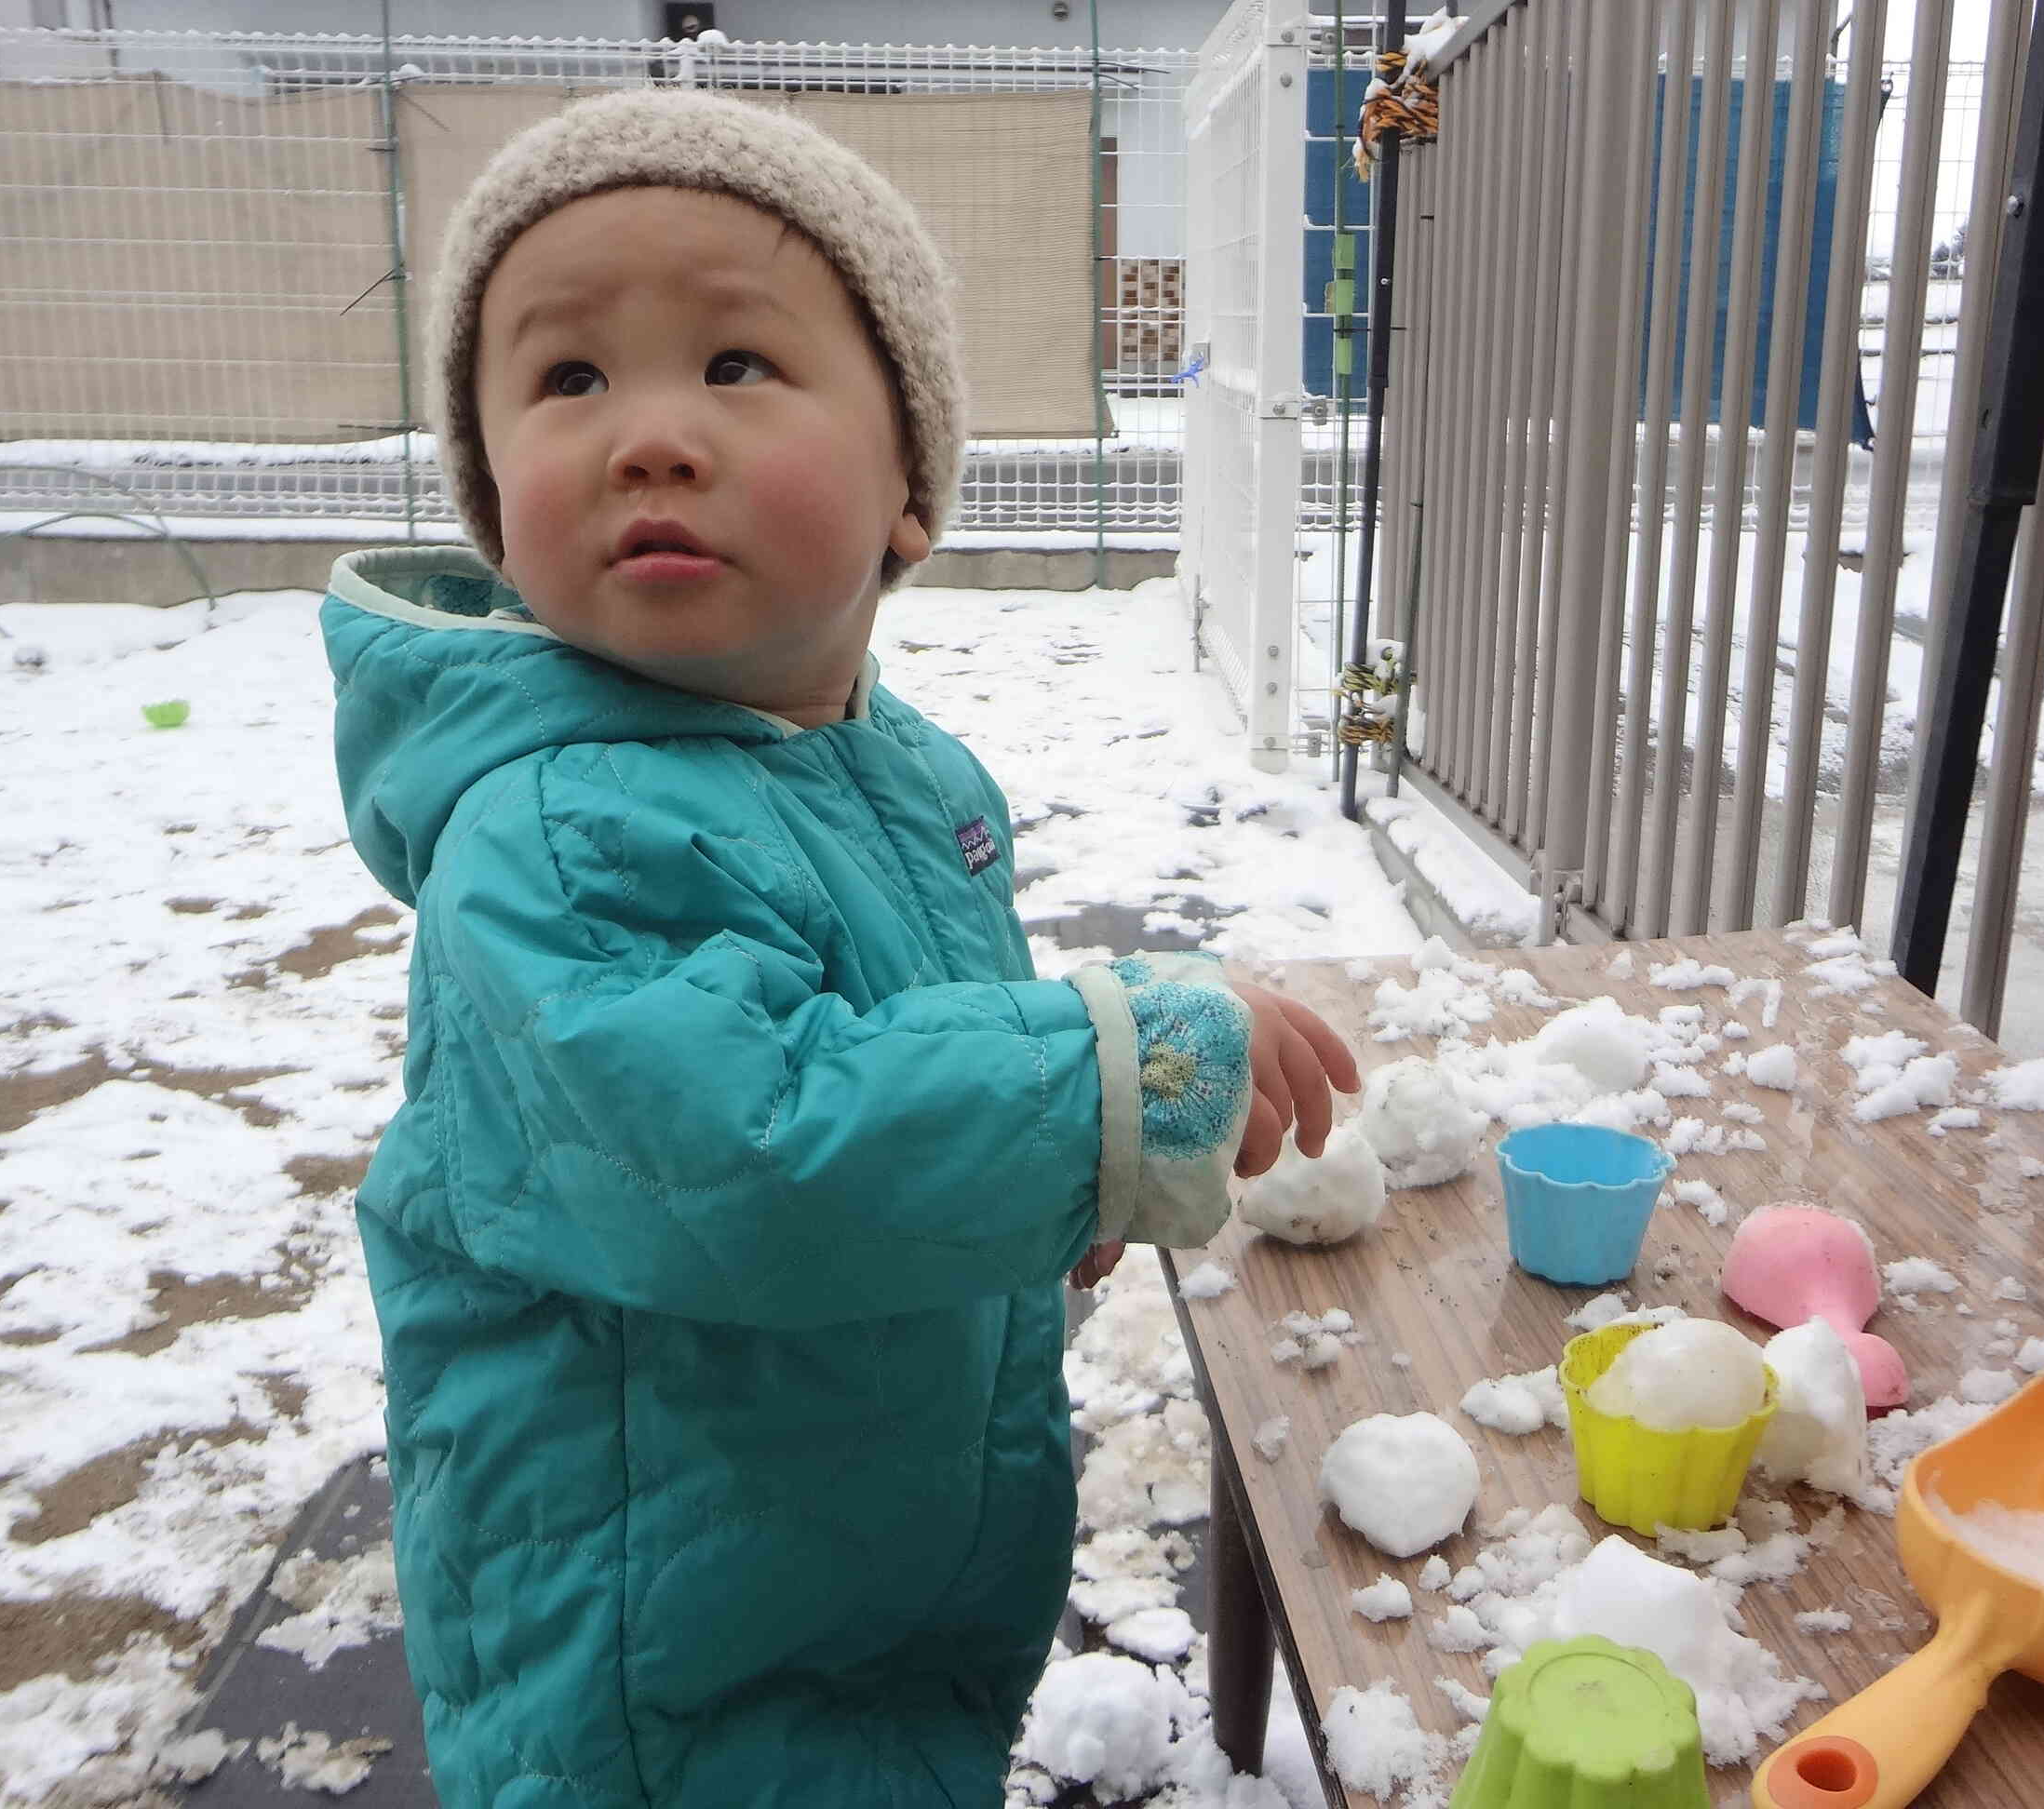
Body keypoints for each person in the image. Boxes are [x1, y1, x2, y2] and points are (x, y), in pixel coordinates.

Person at [318, 89, 1358, 1806]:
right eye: (567, 378)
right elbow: (755, 1154)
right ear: (498, 508)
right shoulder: (562, 831)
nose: (648, 435)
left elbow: (896, 1048)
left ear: (910, 494)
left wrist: (1048, 1171)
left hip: (837, 1564)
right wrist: (1101, 1084)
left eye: (736, 363)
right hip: (665, 1661)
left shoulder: (898, 772)